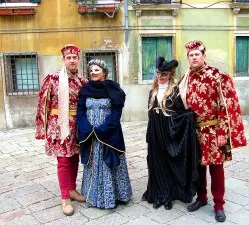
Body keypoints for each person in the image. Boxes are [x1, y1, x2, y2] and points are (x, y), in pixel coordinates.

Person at [179, 40, 247, 222]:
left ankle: (218, 204)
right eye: (191, 55)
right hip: (194, 131)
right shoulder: (186, 78)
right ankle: (201, 198)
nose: (194, 58)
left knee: (216, 168)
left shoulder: (217, 76)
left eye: (197, 55)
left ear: (204, 56)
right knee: (198, 166)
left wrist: (223, 131)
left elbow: (227, 105)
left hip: (213, 129)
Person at [36, 44, 88, 216]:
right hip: (59, 125)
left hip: (77, 125)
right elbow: (43, 104)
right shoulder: (53, 79)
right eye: (69, 58)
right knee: (64, 161)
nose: (72, 60)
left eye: (75, 57)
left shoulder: (83, 81)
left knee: (74, 157)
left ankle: (72, 189)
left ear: (78, 60)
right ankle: (65, 197)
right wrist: (42, 128)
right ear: (63, 60)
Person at [142, 56, 199, 210]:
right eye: (159, 74)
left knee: (168, 163)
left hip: (169, 132)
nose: (161, 77)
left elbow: (181, 113)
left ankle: (168, 195)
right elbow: (150, 114)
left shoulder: (175, 92)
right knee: (155, 163)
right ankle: (157, 193)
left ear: (170, 75)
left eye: (165, 74)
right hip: (155, 132)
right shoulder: (152, 92)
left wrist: (189, 117)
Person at [76, 59, 132, 209]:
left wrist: (104, 128)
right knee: (93, 162)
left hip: (109, 133)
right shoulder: (85, 90)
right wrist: (86, 127)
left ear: (104, 72)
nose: (93, 72)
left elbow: (116, 111)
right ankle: (93, 195)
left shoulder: (113, 89)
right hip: (91, 134)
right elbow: (80, 111)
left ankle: (115, 195)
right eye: (91, 70)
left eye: (97, 70)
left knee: (110, 162)